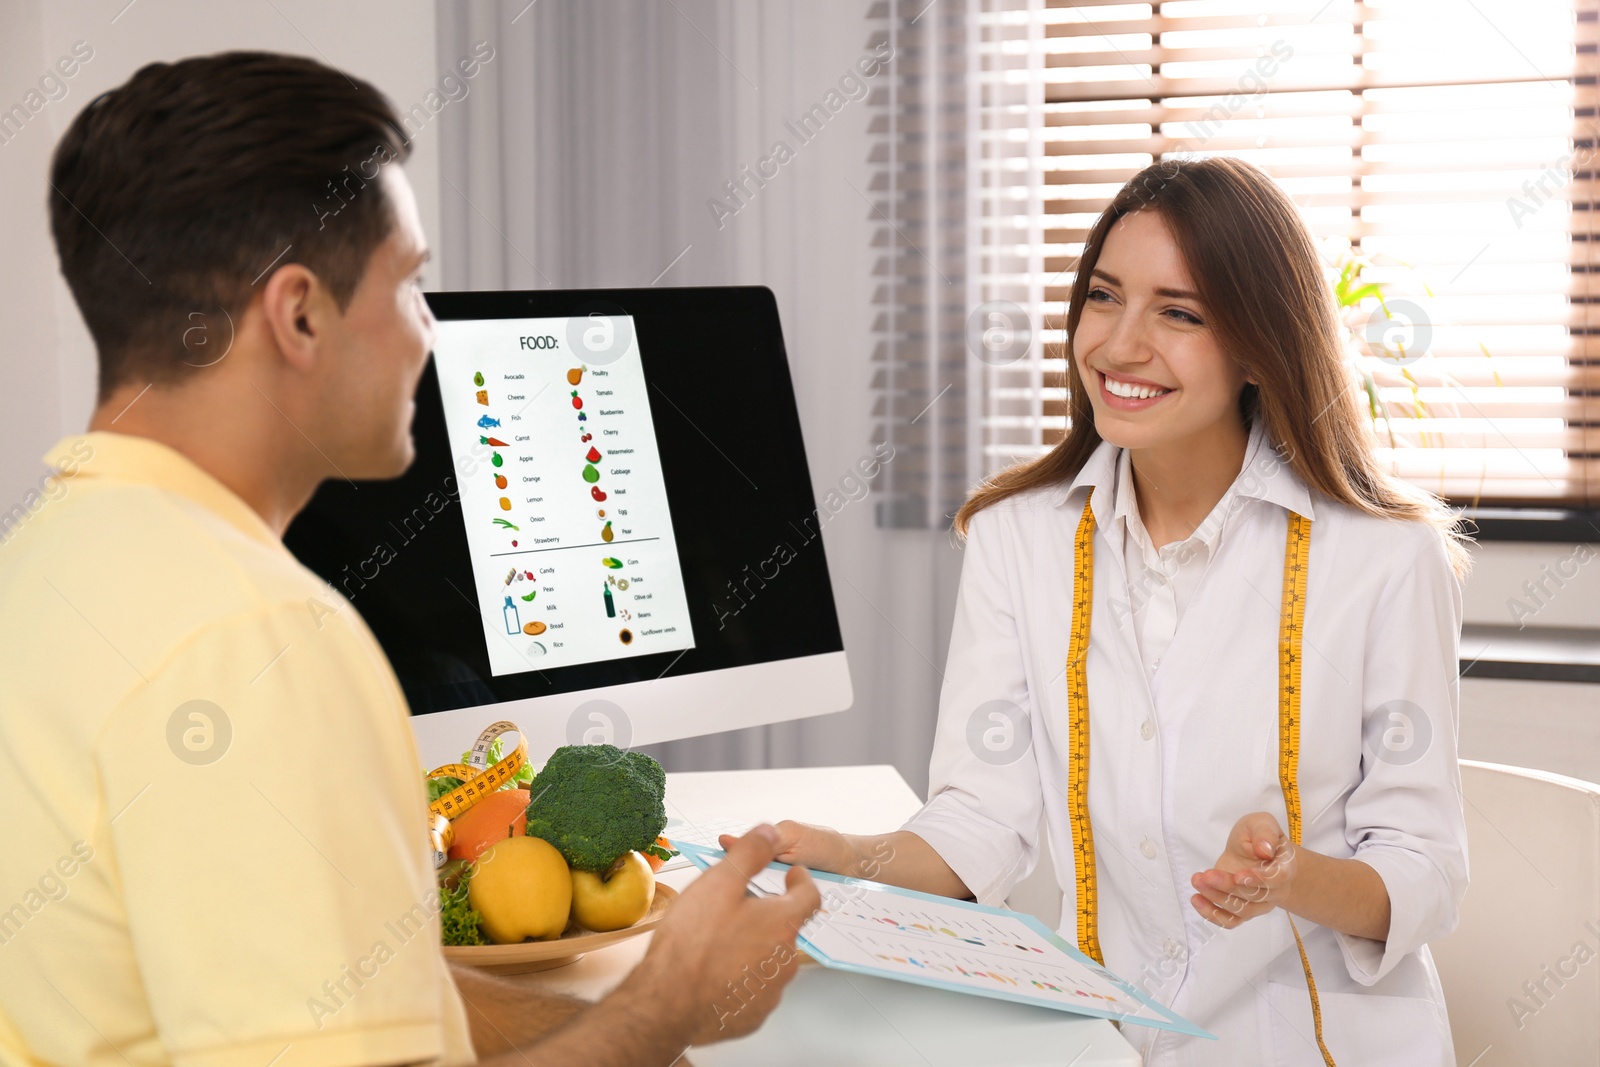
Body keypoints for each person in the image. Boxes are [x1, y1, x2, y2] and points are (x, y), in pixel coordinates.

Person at [0, 51, 818, 1067]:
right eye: (412, 283)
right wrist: (666, 1008)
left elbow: (339, 991)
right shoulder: (262, 640)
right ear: (299, 314)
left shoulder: (42, 561)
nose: (429, 334)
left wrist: (621, 1011)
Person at [769, 156, 1470, 1065]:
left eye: (1179, 313)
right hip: (1103, 1040)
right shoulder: (1016, 538)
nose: (1119, 345)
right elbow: (984, 820)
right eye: (1104, 297)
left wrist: (1294, 881)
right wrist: (840, 852)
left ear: (1260, 343)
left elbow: (1426, 871)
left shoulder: (1384, 557)